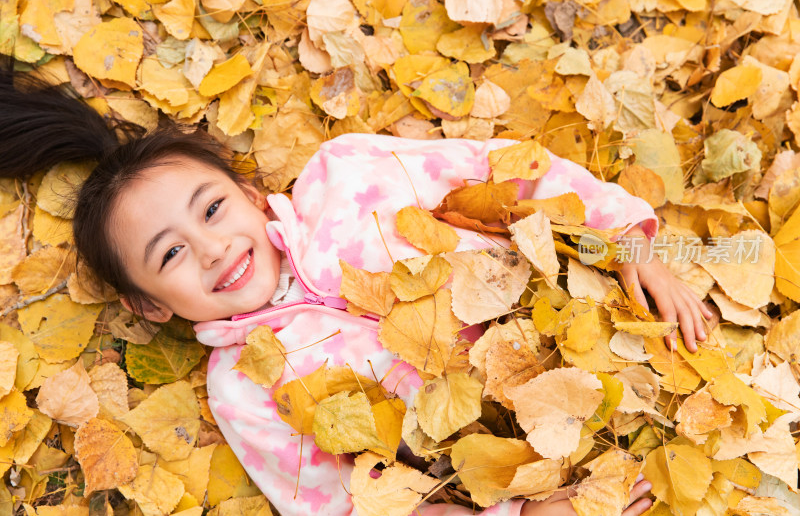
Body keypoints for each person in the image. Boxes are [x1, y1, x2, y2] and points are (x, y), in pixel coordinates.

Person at [1, 68, 712, 516]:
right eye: (172, 253)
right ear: (151, 304)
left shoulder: (345, 179)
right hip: (534, 458)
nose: (213, 247)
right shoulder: (245, 389)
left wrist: (624, 243)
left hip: (602, 321)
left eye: (213, 209)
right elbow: (351, 502)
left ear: (251, 194)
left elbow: (506, 177)